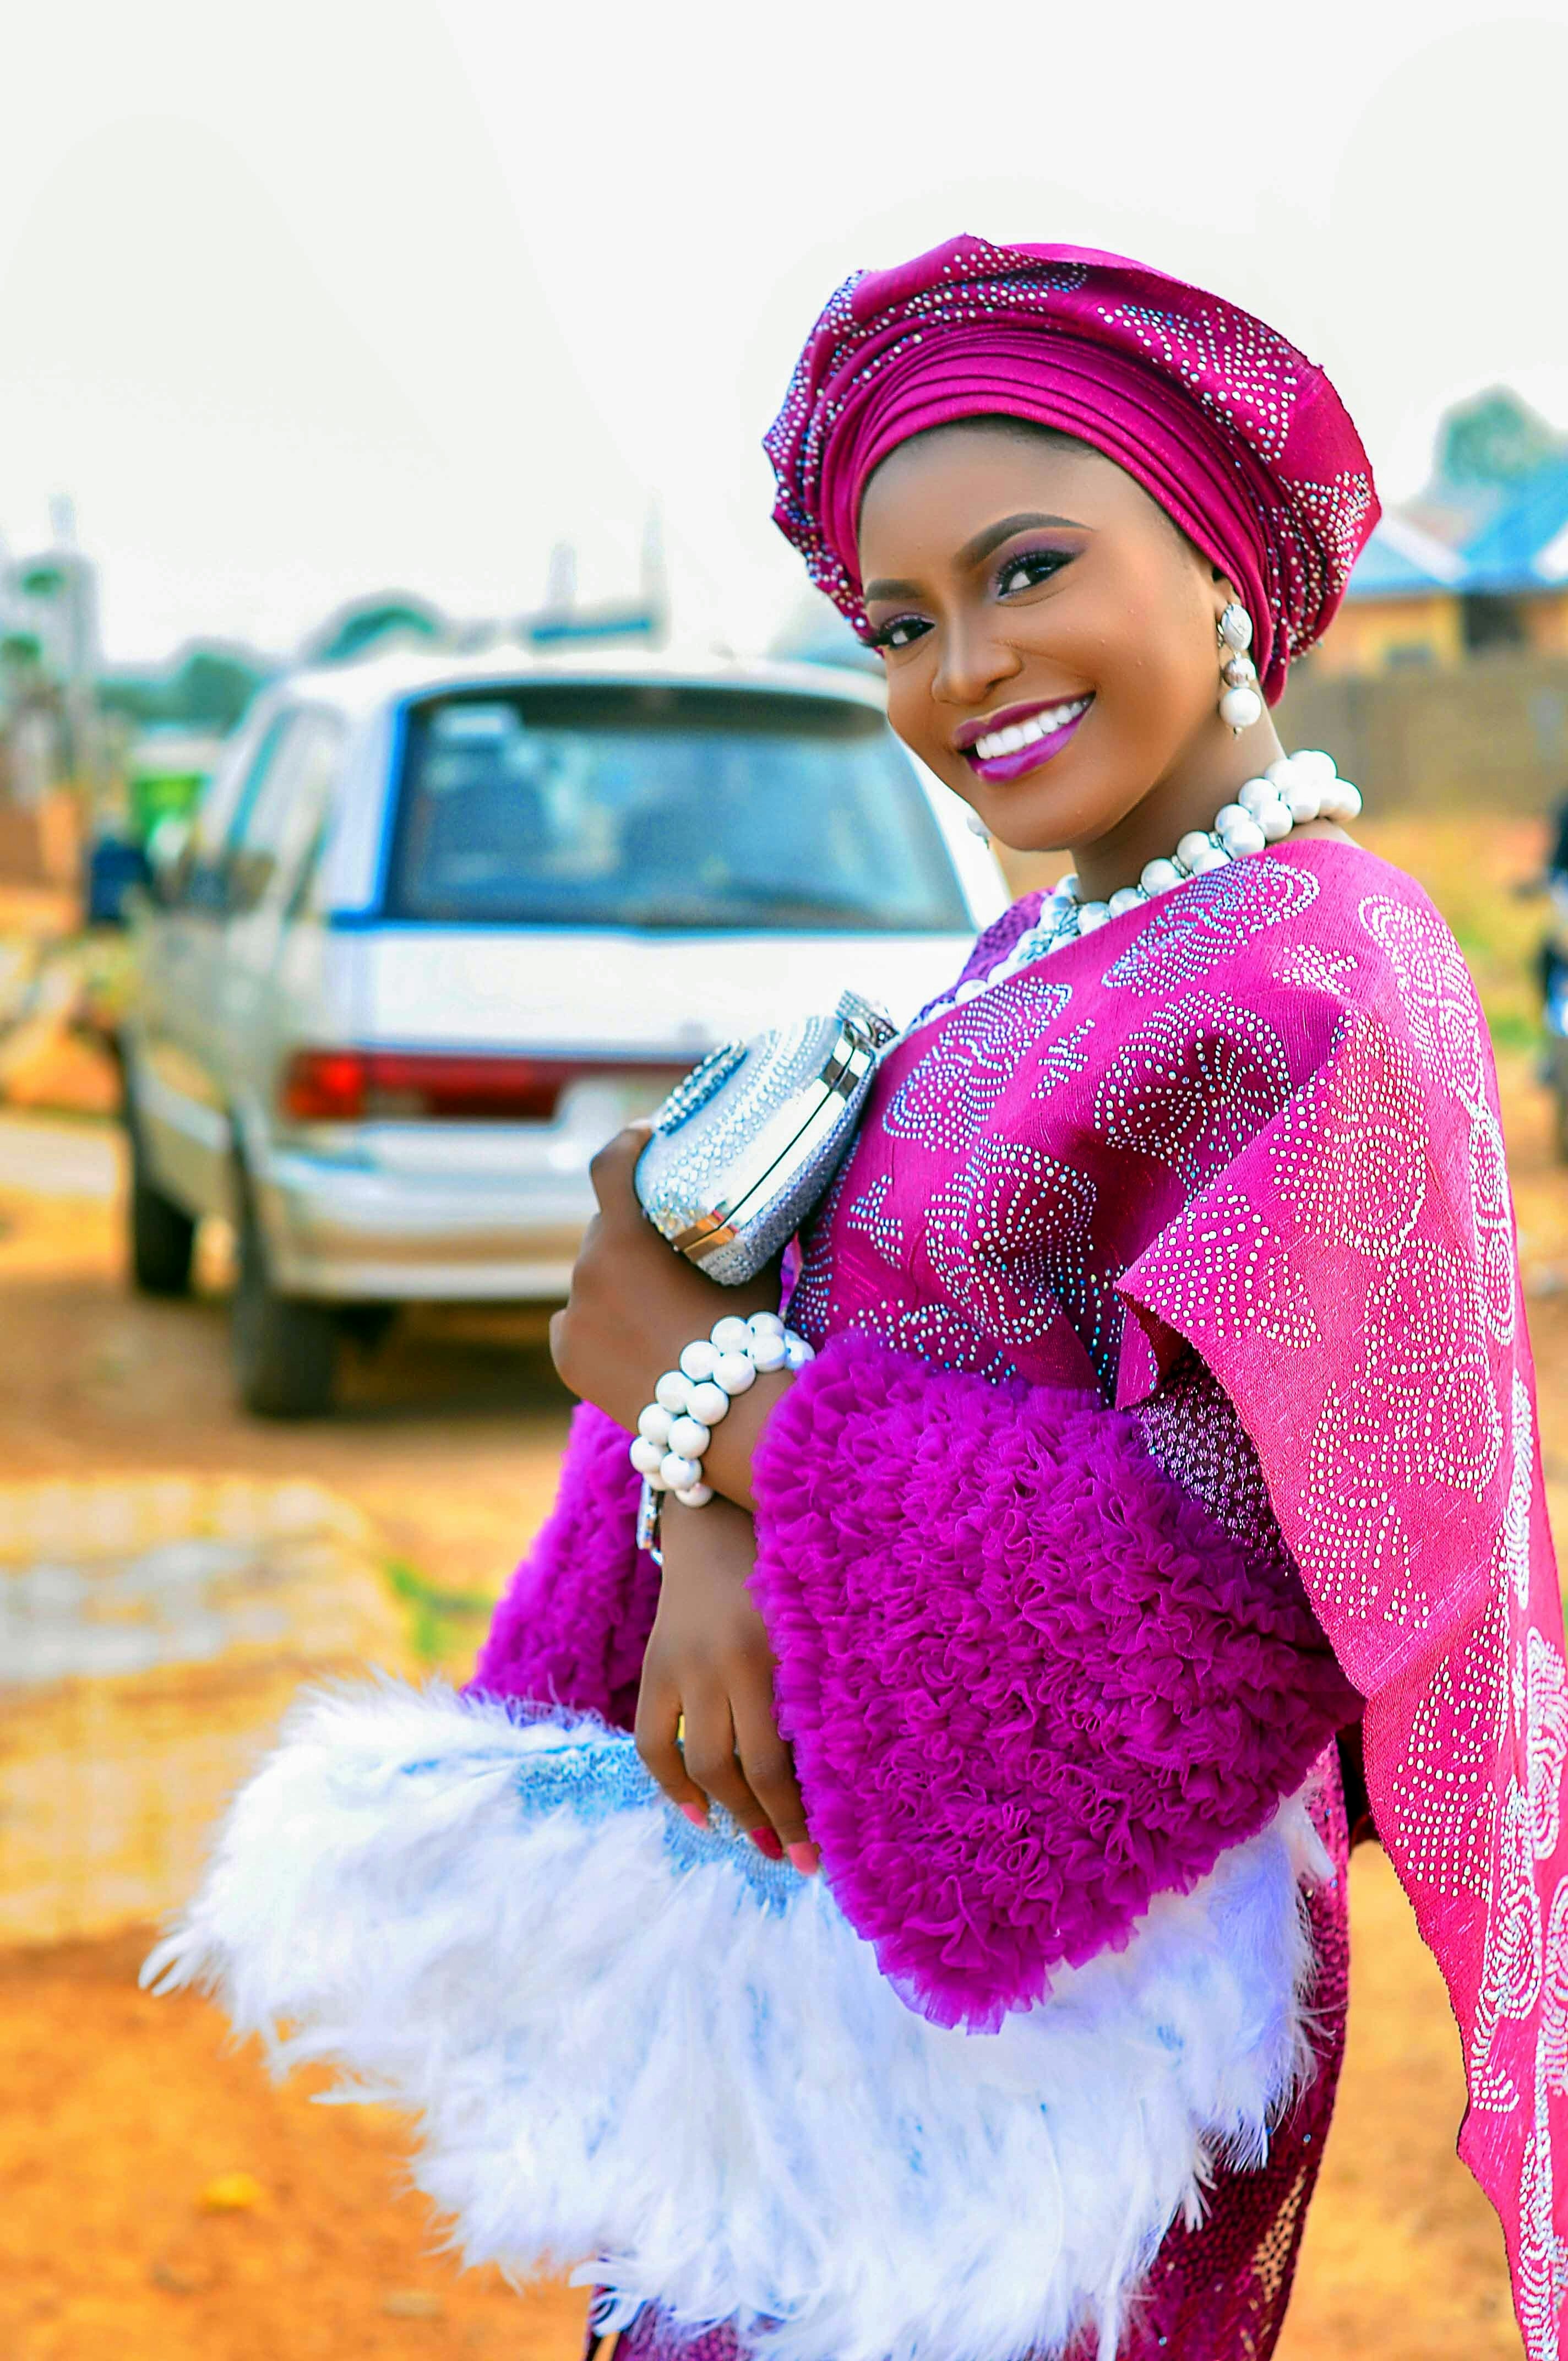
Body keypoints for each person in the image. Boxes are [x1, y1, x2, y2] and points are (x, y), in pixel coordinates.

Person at [155, 238, 1567, 2361]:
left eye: (1025, 571)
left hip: (1064, 1996)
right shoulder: (1036, 955)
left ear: (1216, 558)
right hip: (829, 1924)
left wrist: (697, 1395)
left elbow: (1240, 1570)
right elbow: (831, 1365)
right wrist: (713, 1516)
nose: (964, 670)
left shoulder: (1326, 978)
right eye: (902, 624)